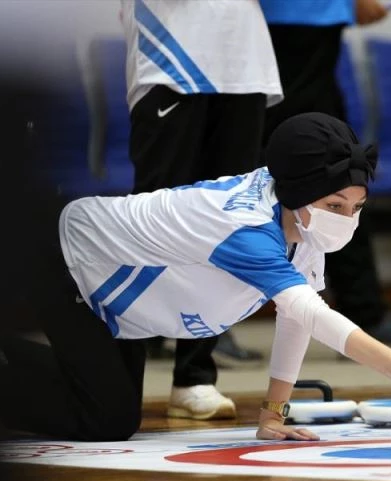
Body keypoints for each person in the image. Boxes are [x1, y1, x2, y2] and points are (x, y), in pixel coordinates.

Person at [0, 112, 391, 442]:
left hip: (123, 296)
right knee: (104, 420)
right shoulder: (247, 230)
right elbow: (313, 315)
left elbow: (294, 322)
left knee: (107, 405)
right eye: (336, 206)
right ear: (303, 194)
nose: (347, 219)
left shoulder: (301, 217)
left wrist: (273, 415)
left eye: (357, 207)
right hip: (72, 261)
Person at [118, 0, 284, 421]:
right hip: (170, 55)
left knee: (230, 220)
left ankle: (194, 376)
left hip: (242, 59)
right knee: (151, 220)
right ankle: (117, 380)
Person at [259, 0, 391, 354]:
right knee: (326, 163)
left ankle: (364, 312)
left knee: (319, 162)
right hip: (296, 20)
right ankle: (365, 313)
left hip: (294, 22)